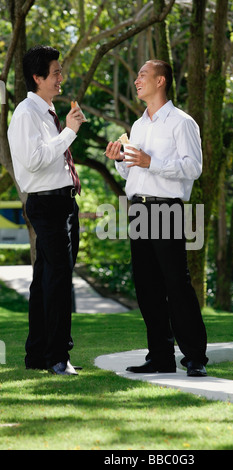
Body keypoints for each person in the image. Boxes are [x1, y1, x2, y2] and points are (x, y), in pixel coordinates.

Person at [105, 59, 208, 376]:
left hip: (167, 208)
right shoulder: (138, 126)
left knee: (176, 284)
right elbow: (133, 172)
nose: (137, 80)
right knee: (147, 287)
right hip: (138, 208)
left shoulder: (182, 122)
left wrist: (152, 161)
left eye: (142, 75)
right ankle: (160, 356)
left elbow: (194, 168)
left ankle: (194, 358)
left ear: (161, 81)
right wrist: (121, 160)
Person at [7, 45, 84, 375]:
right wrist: (69, 131)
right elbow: (35, 160)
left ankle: (37, 355)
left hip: (64, 202)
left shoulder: (48, 112)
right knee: (59, 279)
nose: (60, 78)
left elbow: (52, 158)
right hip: (46, 203)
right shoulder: (26, 113)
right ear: (37, 77)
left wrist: (65, 129)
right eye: (55, 73)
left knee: (45, 280)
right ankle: (57, 357)